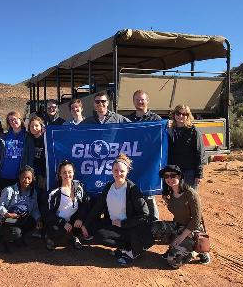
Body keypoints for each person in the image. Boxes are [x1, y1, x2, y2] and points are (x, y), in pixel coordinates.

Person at [81, 154, 153, 265]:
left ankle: (131, 251)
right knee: (96, 232)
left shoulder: (132, 189)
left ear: (127, 171)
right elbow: (98, 208)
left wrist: (123, 224)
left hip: (131, 228)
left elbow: (144, 214)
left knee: (105, 236)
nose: (118, 174)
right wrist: (86, 224)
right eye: (116, 170)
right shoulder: (109, 186)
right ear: (112, 170)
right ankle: (123, 247)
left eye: (122, 171)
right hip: (115, 225)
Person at [151, 165, 210, 268]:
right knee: (153, 228)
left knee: (173, 261)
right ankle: (174, 247)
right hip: (178, 226)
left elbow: (196, 220)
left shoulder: (190, 194)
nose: (169, 179)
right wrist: (166, 199)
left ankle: (196, 251)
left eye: (173, 175)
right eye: (166, 176)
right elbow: (177, 208)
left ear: (180, 177)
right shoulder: (171, 193)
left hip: (191, 229)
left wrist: (182, 237)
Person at [127, 90, 162, 221]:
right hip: (132, 161)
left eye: (142, 99)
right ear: (133, 102)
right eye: (137, 100)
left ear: (147, 101)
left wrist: (166, 126)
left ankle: (154, 222)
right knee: (132, 192)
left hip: (149, 162)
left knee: (149, 193)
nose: (140, 102)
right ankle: (136, 221)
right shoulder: (128, 120)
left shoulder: (156, 119)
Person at [44, 160, 90, 251]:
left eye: (70, 172)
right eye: (64, 172)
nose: (67, 175)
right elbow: (47, 214)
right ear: (60, 174)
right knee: (57, 232)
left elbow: (85, 203)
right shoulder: (54, 192)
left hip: (73, 219)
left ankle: (75, 235)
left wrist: (80, 218)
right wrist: (62, 223)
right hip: (59, 221)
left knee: (87, 217)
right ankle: (49, 237)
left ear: (73, 172)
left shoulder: (78, 186)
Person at [0, 165, 43, 252]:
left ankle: (19, 238)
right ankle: (3, 239)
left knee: (32, 222)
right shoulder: (9, 190)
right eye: (24, 177)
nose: (27, 181)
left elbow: (35, 209)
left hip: (21, 219)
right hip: (7, 219)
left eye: (29, 178)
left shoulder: (33, 192)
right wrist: (8, 214)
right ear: (19, 177)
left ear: (33, 179)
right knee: (16, 233)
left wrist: (38, 219)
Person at [168, 104, 205, 189]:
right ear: (174, 114)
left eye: (184, 114)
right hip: (174, 172)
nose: (180, 116)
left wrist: (199, 174)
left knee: (190, 199)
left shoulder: (193, 131)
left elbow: (199, 152)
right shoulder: (170, 131)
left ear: (188, 116)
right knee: (176, 198)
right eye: (178, 113)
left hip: (189, 172)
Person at [0, 111, 27, 196]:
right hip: (4, 176)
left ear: (20, 119)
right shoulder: (4, 137)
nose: (13, 122)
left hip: (20, 177)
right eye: (10, 120)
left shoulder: (27, 136)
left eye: (15, 119)